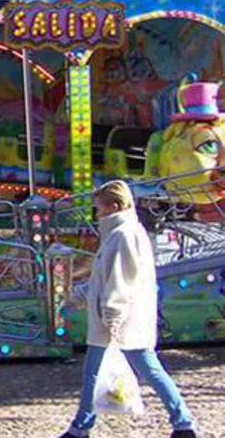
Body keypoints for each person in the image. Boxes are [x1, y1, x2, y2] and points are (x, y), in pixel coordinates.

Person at [59, 180, 198, 438]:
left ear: (112, 206)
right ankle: (182, 423)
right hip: (123, 320)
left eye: (98, 208)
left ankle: (81, 427)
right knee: (145, 369)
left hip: (117, 322)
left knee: (99, 373)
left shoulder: (122, 235)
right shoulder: (122, 233)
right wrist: (79, 298)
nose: (96, 213)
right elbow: (108, 279)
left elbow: (119, 281)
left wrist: (111, 316)